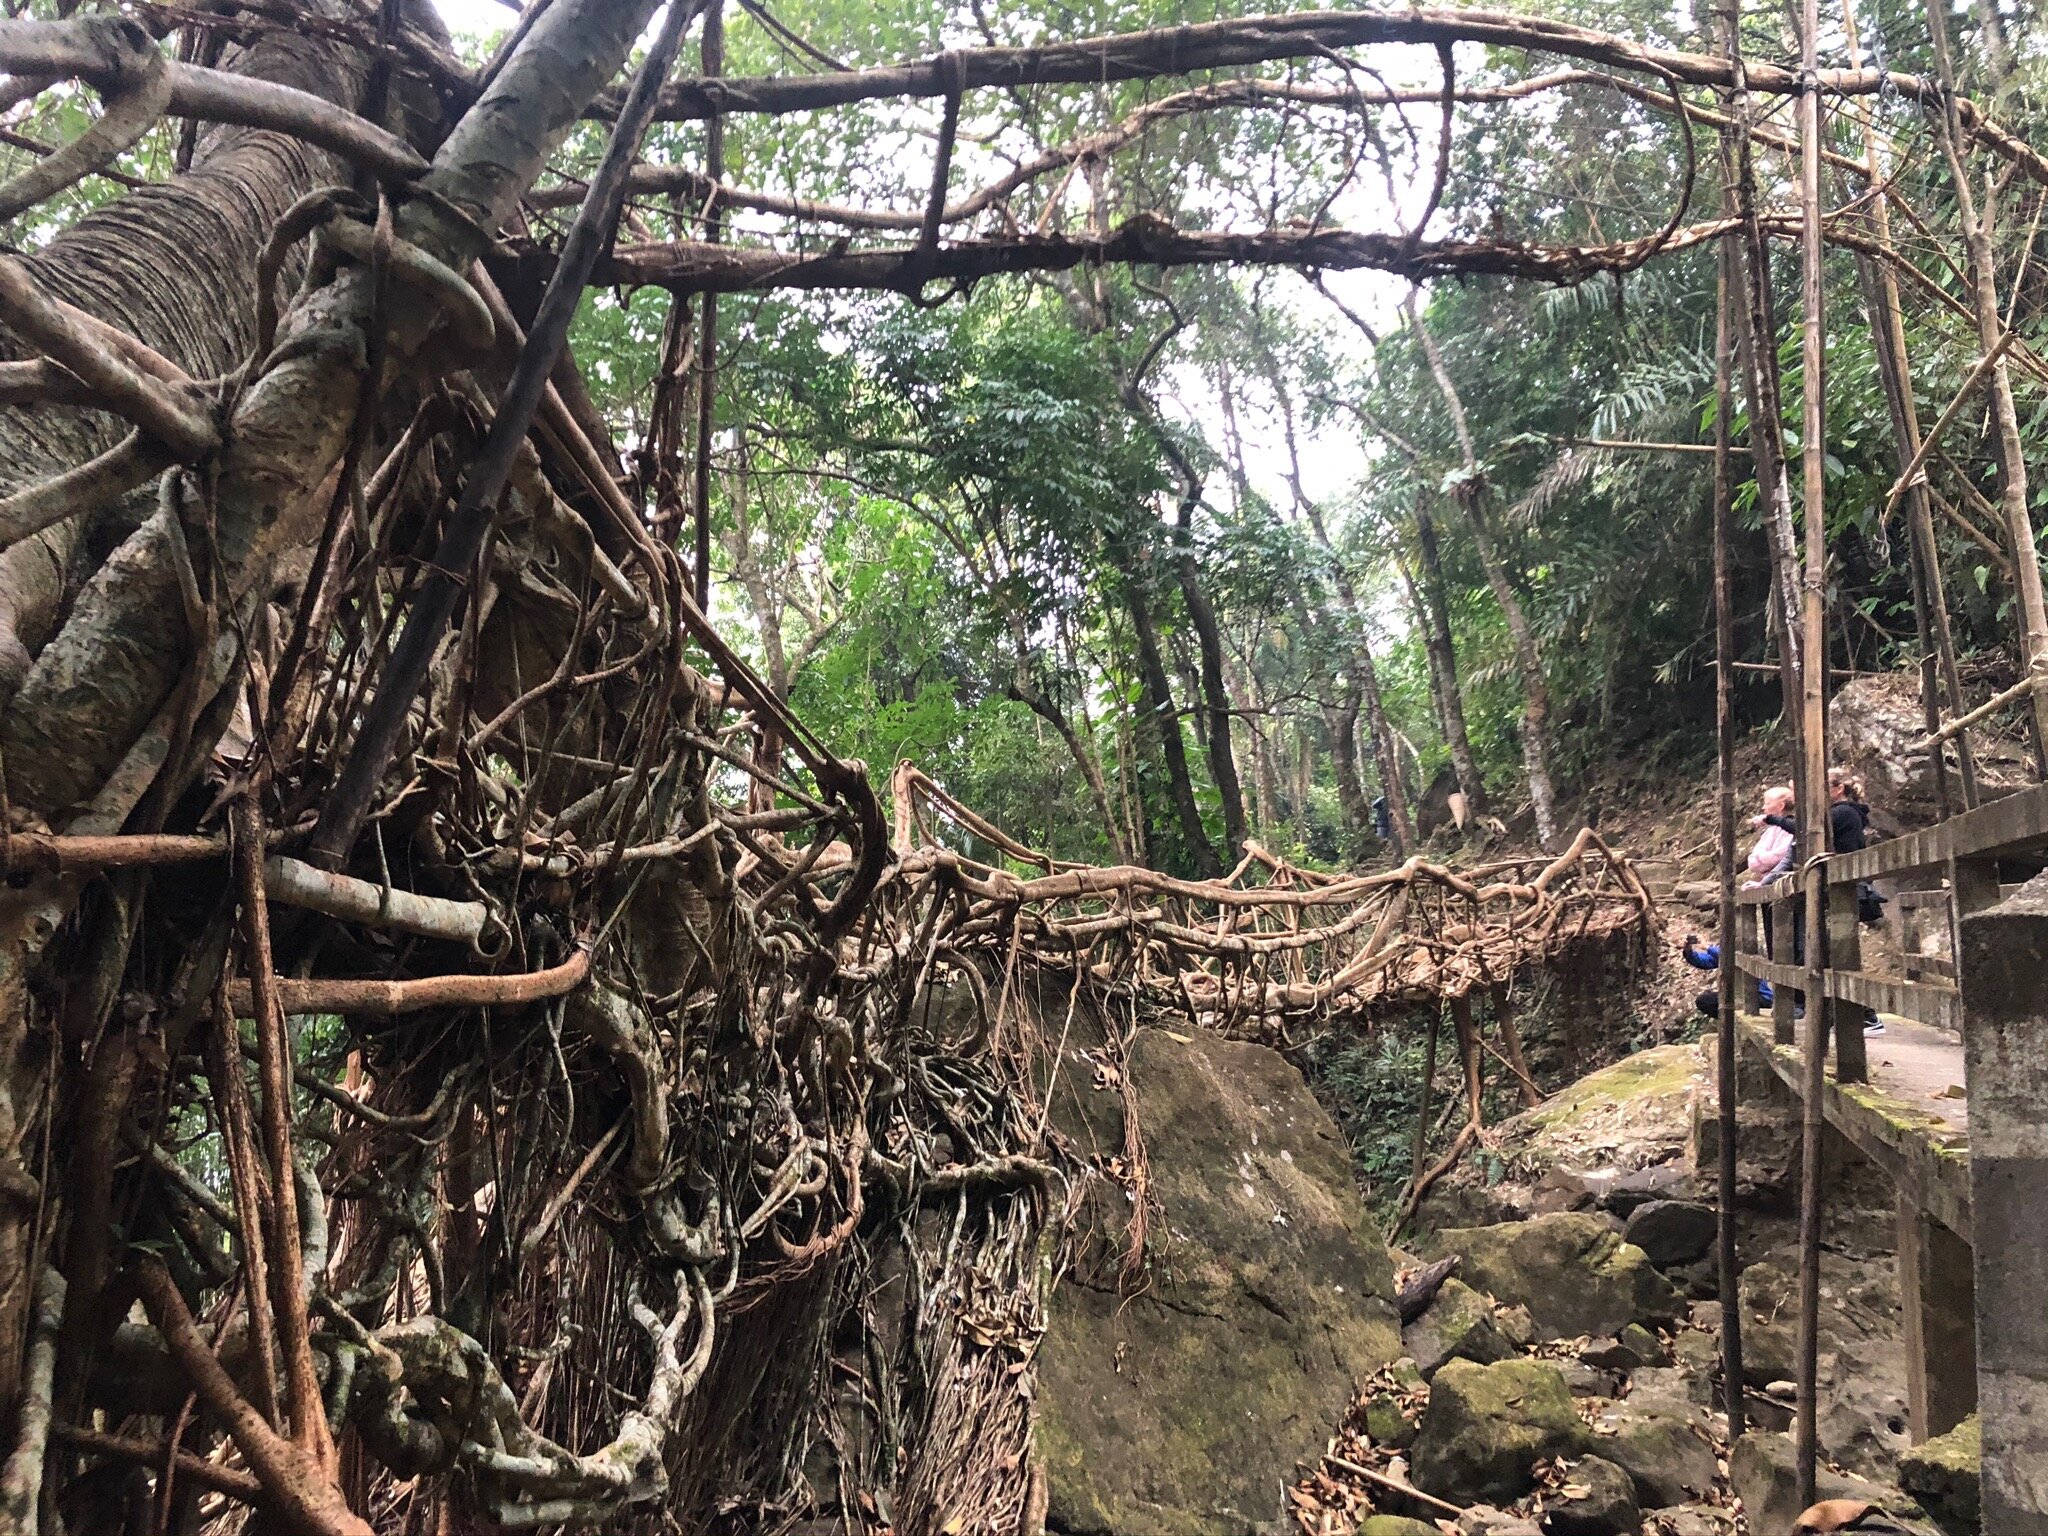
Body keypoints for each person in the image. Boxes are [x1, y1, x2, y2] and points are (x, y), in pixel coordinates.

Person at [1683, 933, 1777, 1019]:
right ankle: (1729, 1023)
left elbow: (1729, 957)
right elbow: (1704, 961)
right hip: (1736, 995)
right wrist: (1688, 951)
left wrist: (1707, 947)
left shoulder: (1752, 950)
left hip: (1761, 996)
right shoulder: (1722, 953)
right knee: (1704, 1001)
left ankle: (1731, 1022)